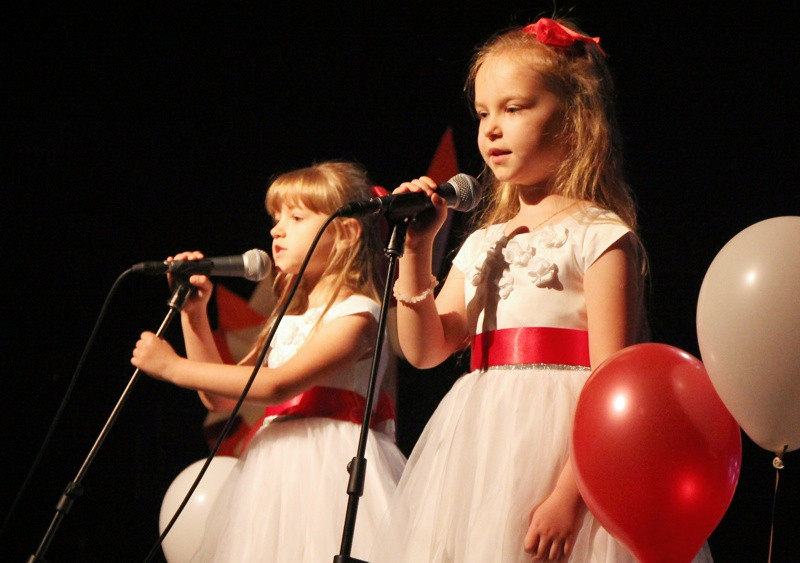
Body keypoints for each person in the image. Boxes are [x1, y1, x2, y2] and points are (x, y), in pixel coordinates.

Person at [369, 17, 712, 562]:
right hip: (482, 447)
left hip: (566, 449)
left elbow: (609, 383)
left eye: (514, 108)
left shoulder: (599, 235)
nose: (491, 129)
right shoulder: (483, 242)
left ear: (574, 120)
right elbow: (425, 349)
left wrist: (570, 497)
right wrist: (416, 250)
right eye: (483, 113)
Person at [131, 161, 406, 561]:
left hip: (330, 469)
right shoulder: (286, 319)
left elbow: (276, 385)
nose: (277, 230)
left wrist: (173, 368)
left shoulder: (359, 315)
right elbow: (222, 399)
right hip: (274, 469)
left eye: (296, 218)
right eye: (276, 219)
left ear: (345, 233)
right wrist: (195, 316)